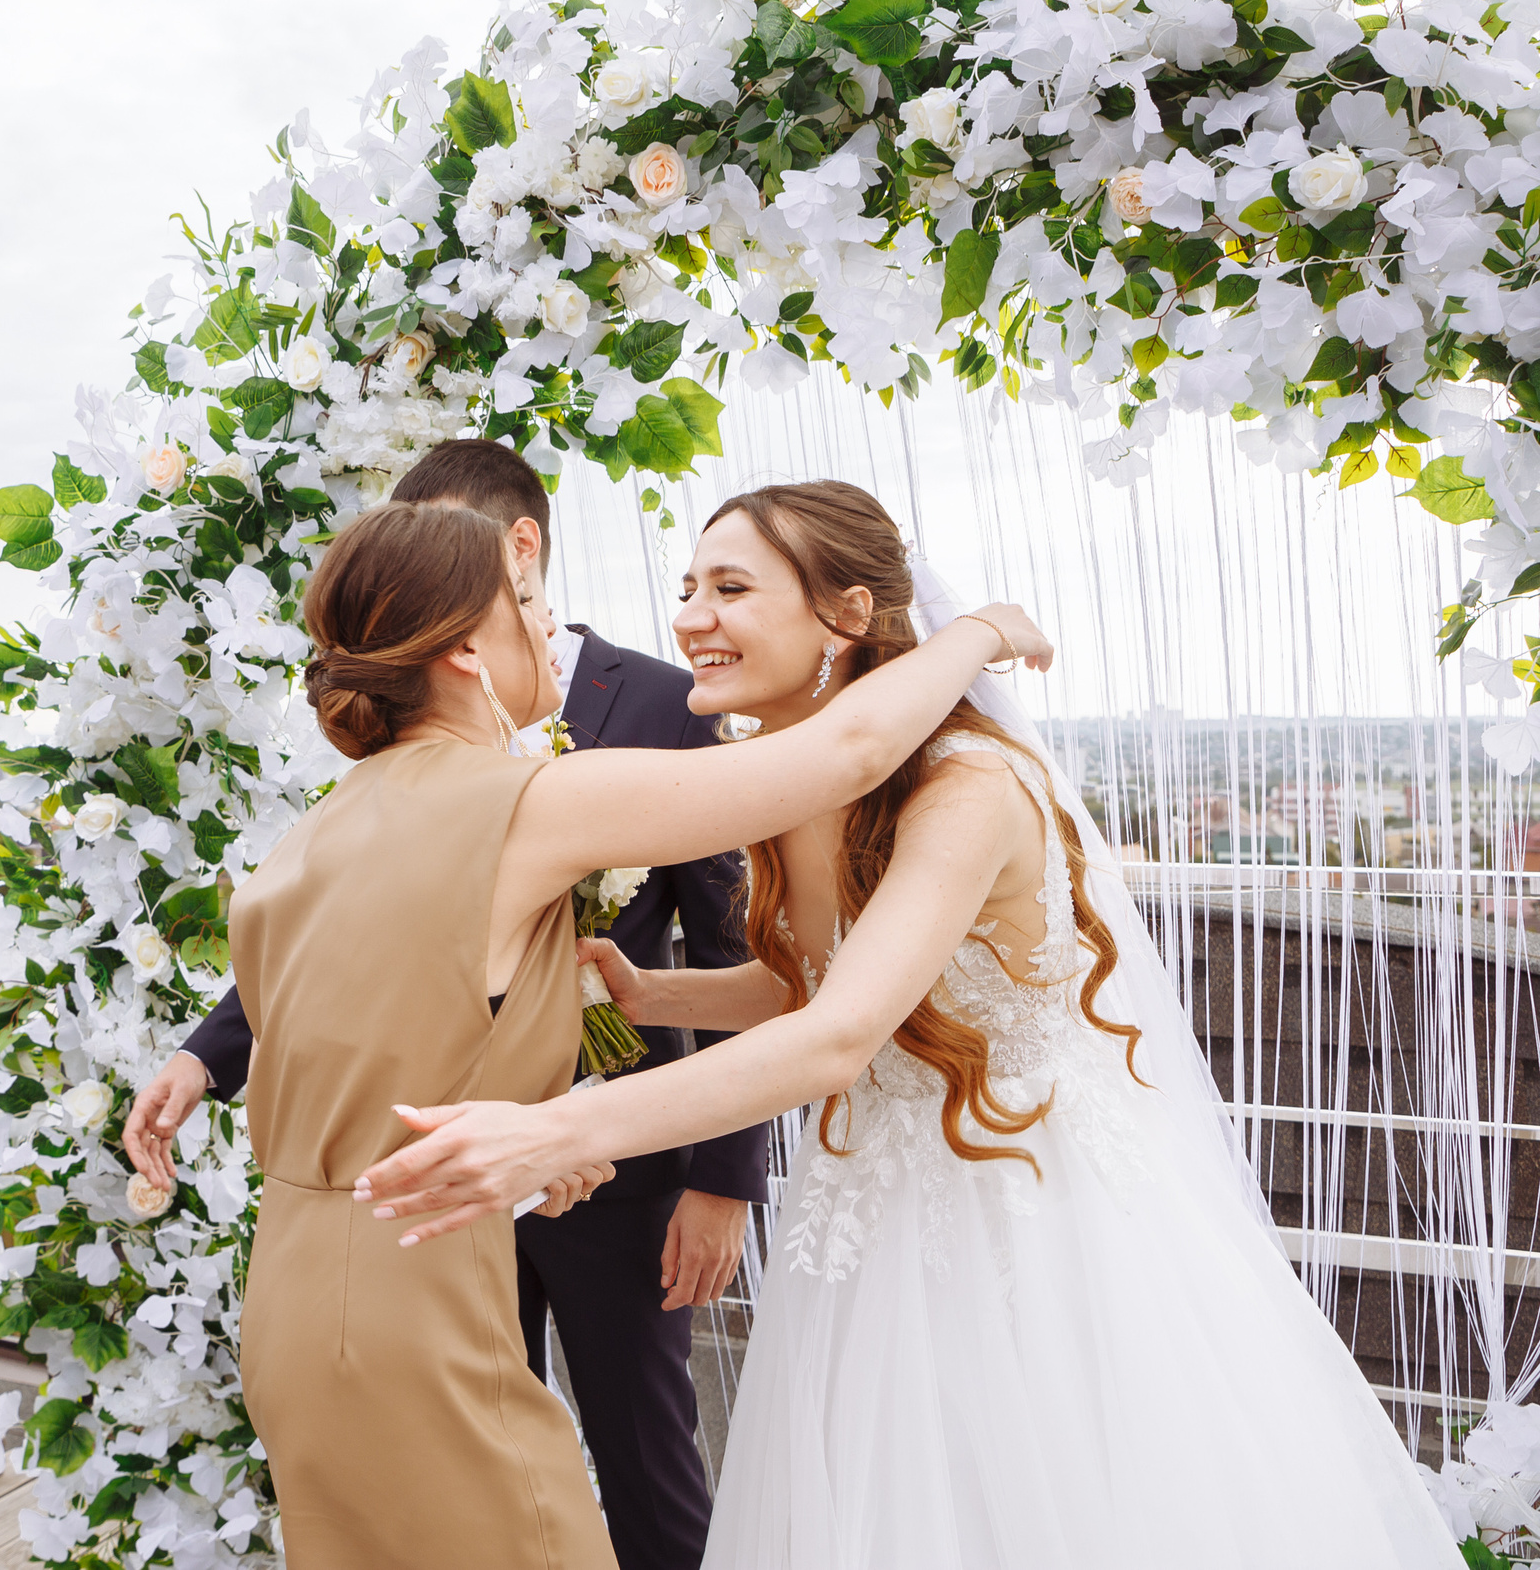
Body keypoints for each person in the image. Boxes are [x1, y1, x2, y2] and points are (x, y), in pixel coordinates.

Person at [356, 482, 1456, 1568]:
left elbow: (841, 1035)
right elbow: (821, 981)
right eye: (687, 586)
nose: (689, 615)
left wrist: (567, 1130)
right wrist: (656, 995)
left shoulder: (965, 786)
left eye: (730, 586)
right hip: (871, 1212)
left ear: (844, 614)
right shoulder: (778, 787)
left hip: (1027, 1206)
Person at [224, 496, 1045, 1568]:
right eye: (526, 603)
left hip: (295, 1299)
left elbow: (369, 1053)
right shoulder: (524, 799)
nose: (548, 623)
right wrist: (981, 629)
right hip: (411, 1306)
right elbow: (848, 753)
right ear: (470, 649)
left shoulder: (308, 840)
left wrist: (557, 1110)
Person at [123, 438, 766, 1569]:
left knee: (643, 1452)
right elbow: (353, 930)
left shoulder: (663, 697)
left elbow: (729, 932)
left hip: (604, 1160)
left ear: (513, 549)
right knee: (480, 1501)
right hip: (433, 1180)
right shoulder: (431, 761)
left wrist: (721, 1178)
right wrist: (205, 1055)